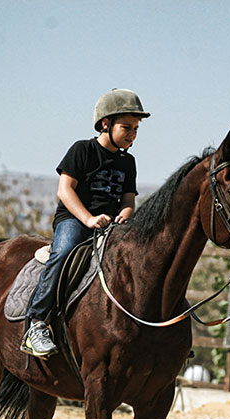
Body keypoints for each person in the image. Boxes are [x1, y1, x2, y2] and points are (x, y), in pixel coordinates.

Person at [21, 88, 150, 357]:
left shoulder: (129, 162)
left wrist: (125, 214)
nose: (132, 133)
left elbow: (128, 199)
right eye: (126, 127)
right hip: (76, 220)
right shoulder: (82, 150)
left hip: (112, 224)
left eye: (136, 129)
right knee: (64, 252)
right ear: (106, 123)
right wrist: (88, 219)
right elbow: (65, 190)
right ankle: (36, 322)